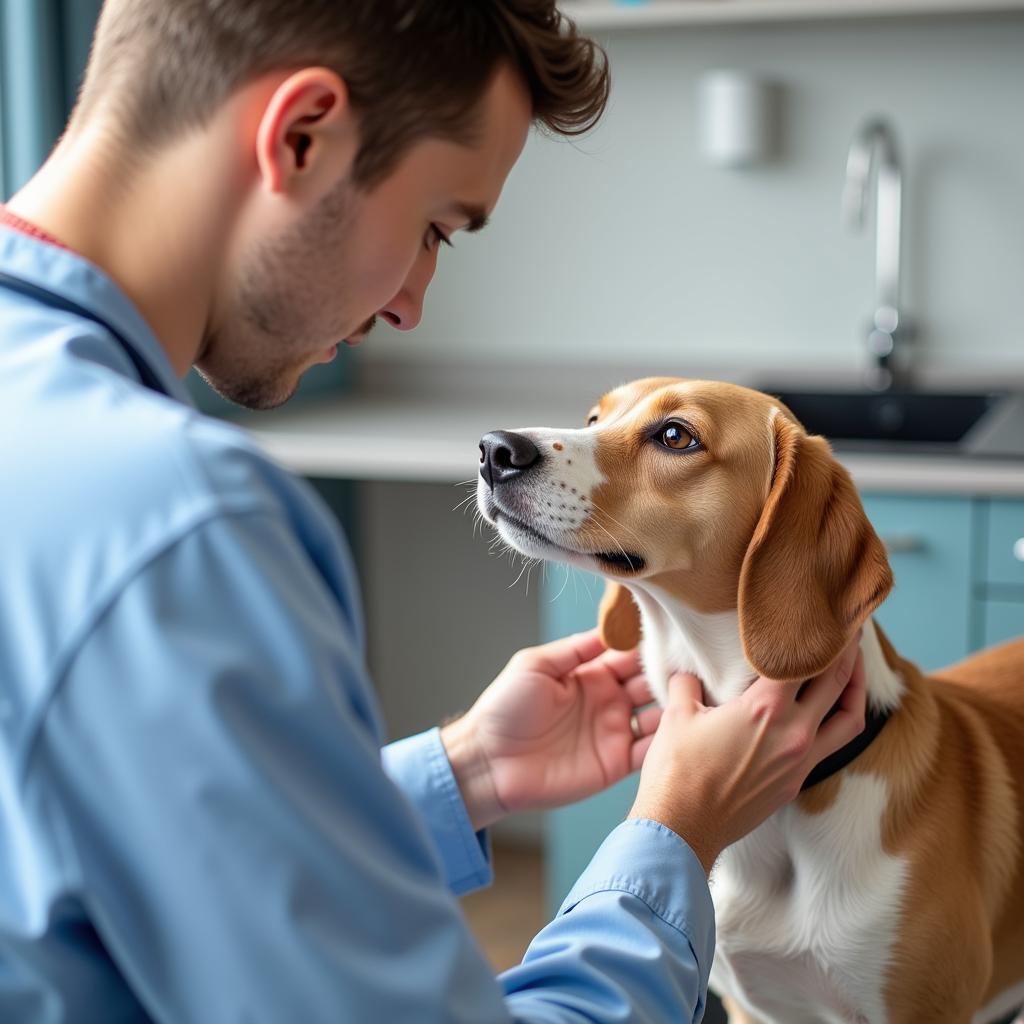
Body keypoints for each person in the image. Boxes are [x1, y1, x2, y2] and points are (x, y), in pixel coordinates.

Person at [0, 2, 867, 1021]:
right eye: (433, 228)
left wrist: (463, 771)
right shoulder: (183, 530)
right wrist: (671, 835)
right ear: (301, 135)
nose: (412, 303)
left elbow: (119, 860)